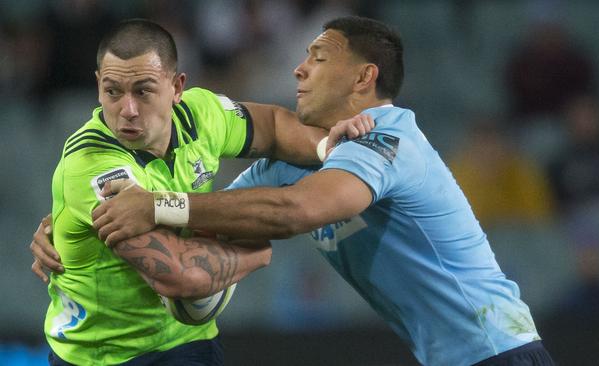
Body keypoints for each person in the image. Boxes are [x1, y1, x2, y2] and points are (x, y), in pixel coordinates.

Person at [34, 16, 555, 365]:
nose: (298, 68)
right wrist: (72, 225)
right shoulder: (297, 163)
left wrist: (158, 206)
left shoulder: (389, 141)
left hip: (499, 350)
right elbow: (226, 209)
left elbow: (293, 212)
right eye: (112, 90)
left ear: (363, 77)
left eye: (319, 58)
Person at [30, 18, 367, 366]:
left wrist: (330, 146)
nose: (127, 110)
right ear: (99, 85)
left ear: (177, 87)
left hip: (188, 343)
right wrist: (257, 254)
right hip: (100, 355)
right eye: (113, 91)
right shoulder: (92, 164)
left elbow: (273, 126)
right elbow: (180, 276)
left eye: (143, 91)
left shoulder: (201, 116)